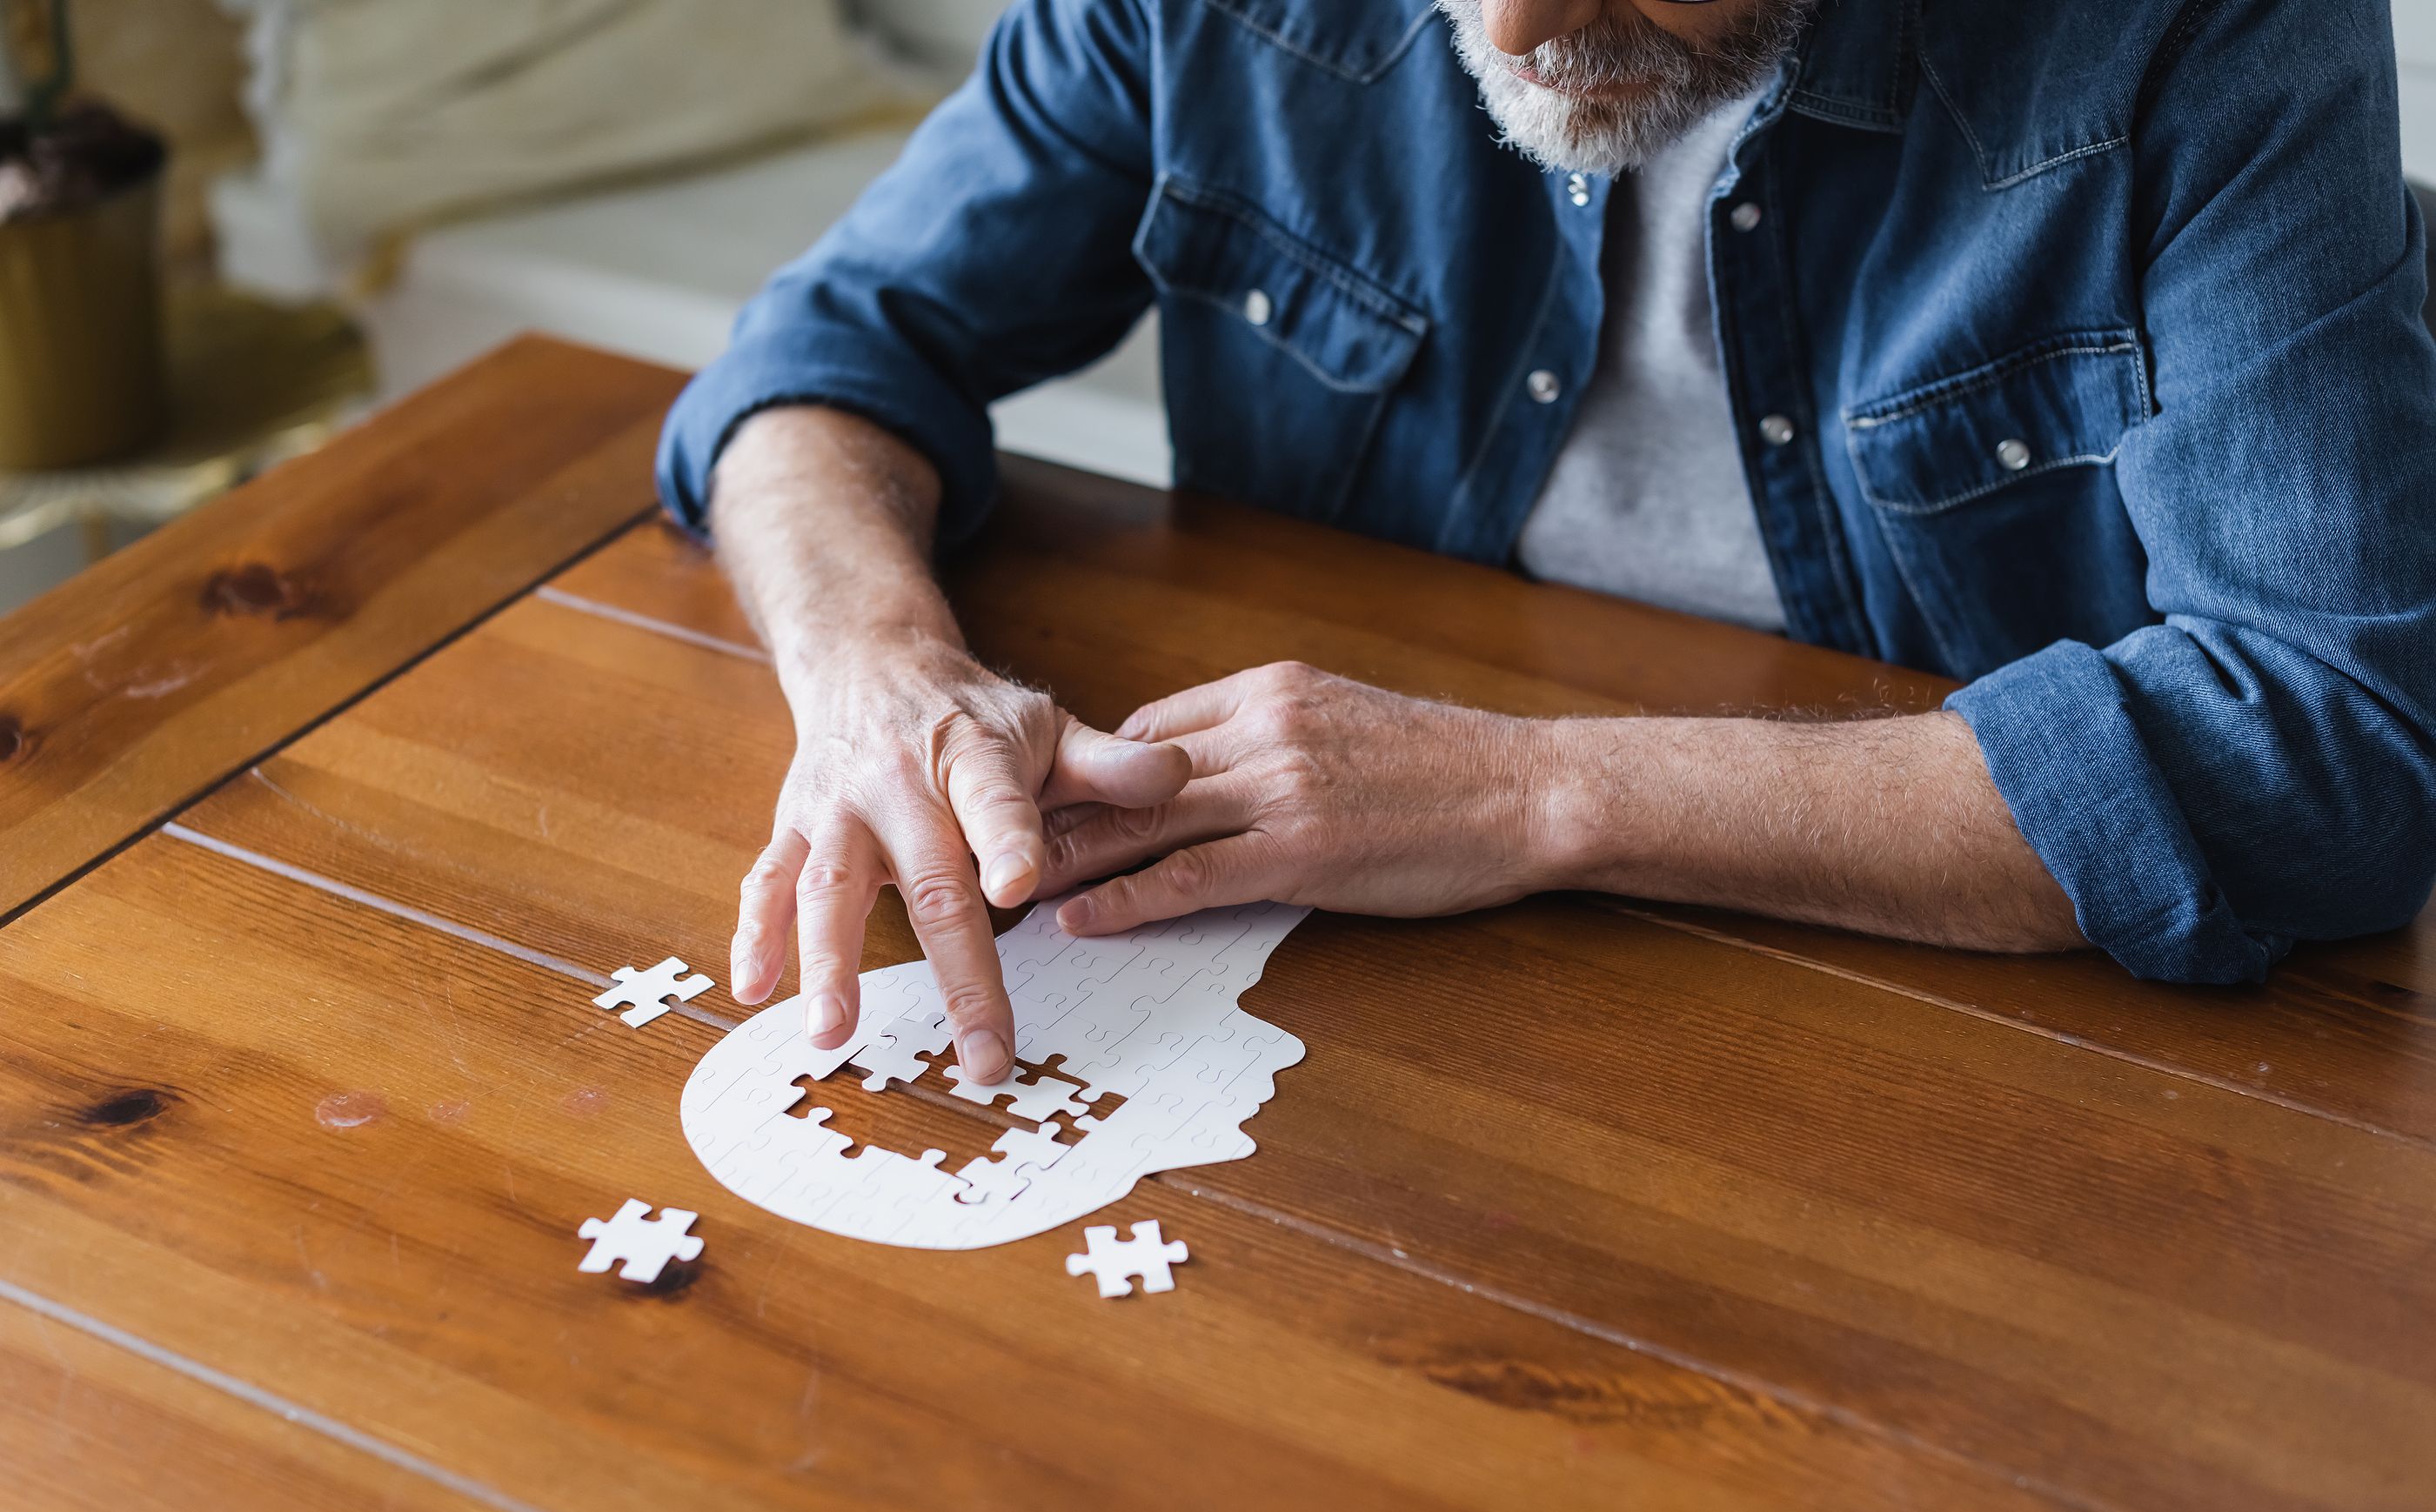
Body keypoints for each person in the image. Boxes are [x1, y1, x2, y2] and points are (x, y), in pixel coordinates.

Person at [657, 0, 2436, 1088]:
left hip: (1976, 1039)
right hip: (1344, 1014)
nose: (1513, 31)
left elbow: (2327, 746)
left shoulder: (2210, 21)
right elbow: (818, 362)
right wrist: (869, 667)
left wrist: (1529, 794)